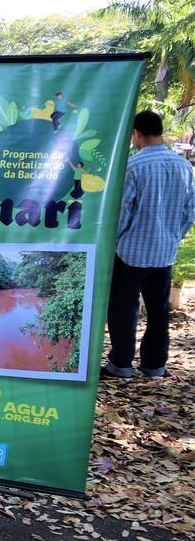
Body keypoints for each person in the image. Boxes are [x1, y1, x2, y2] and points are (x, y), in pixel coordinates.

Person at [104, 109, 195, 380]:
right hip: (164, 253)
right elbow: (190, 212)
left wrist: (115, 240)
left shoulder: (134, 166)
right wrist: (172, 236)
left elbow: (122, 213)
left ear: (137, 134)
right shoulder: (185, 167)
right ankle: (155, 366)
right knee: (159, 311)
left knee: (124, 308)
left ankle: (121, 364)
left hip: (130, 253)